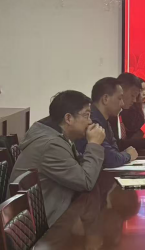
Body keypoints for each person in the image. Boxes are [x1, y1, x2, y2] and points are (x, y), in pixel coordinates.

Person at [9, 91, 106, 226]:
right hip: (45, 225)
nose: (90, 121)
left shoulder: (57, 137)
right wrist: (94, 144)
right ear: (68, 118)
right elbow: (86, 182)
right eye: (86, 115)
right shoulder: (51, 145)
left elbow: (82, 171)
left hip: (54, 211)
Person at [76, 78, 138, 168]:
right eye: (119, 98)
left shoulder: (105, 119)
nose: (122, 104)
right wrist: (128, 155)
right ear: (105, 99)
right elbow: (111, 159)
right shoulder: (91, 121)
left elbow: (115, 150)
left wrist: (120, 155)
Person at [109, 73, 145, 150]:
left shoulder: (118, 112)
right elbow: (117, 145)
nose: (134, 100)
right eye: (132, 95)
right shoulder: (111, 115)